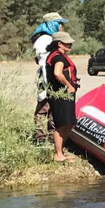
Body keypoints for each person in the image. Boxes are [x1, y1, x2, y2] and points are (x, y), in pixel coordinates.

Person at [31, 11, 69, 144]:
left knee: (54, 107)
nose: (61, 27)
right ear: (53, 24)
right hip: (46, 78)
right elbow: (43, 62)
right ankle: (40, 138)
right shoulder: (44, 40)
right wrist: (46, 85)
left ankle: (53, 136)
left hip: (51, 76)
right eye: (60, 24)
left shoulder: (49, 39)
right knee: (43, 107)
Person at [44, 30, 78, 162]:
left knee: (68, 123)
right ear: (59, 44)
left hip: (64, 95)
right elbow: (57, 73)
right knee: (62, 124)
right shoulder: (58, 57)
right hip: (61, 95)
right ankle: (58, 154)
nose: (70, 45)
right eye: (67, 43)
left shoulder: (55, 55)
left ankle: (61, 153)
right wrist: (69, 86)